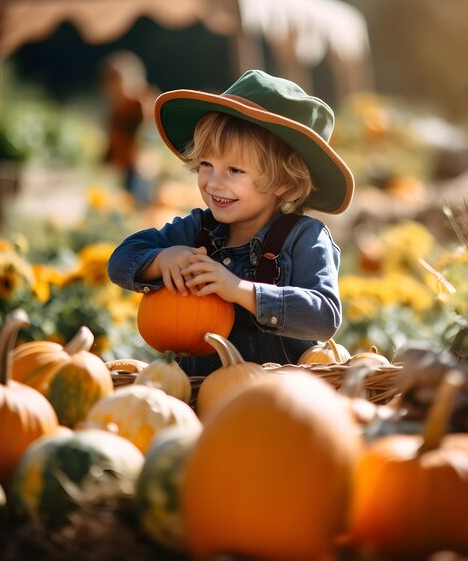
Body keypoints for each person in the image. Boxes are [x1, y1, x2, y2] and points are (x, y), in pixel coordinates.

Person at [107, 69, 355, 376]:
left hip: (280, 396)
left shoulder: (305, 238)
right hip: (198, 393)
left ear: (286, 184)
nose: (213, 182)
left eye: (234, 171)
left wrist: (240, 289)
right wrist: (161, 259)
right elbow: (120, 260)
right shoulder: (197, 230)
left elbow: (324, 316)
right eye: (206, 165)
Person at [102, 51, 155, 204]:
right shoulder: (115, 110)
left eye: (118, 82)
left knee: (140, 204)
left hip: (142, 169)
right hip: (124, 167)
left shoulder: (142, 104)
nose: (114, 89)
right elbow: (113, 141)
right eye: (110, 84)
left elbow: (149, 139)